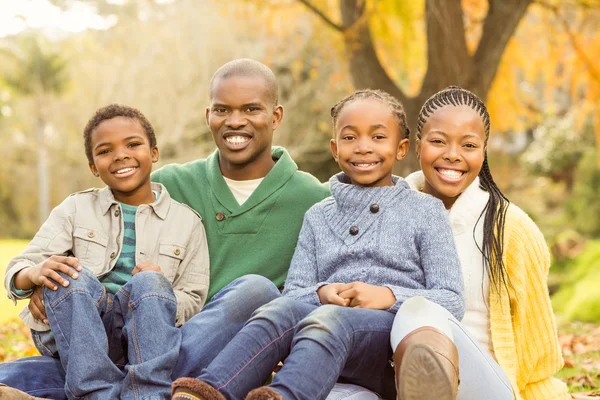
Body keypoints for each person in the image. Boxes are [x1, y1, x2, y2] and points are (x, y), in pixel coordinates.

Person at [0, 59, 330, 399]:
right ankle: (141, 390)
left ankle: (133, 387)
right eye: (222, 110)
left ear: (275, 117)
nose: (235, 121)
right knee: (106, 344)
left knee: (256, 292)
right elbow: (90, 230)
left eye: (251, 109)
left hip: (203, 339)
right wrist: (42, 280)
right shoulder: (167, 183)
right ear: (208, 116)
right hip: (119, 334)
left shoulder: (315, 199)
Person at [171, 89, 465, 400]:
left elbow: (451, 299)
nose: (363, 148)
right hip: (319, 341)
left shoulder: (425, 211)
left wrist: (387, 296)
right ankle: (209, 392)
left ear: (401, 148)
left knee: (329, 319)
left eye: (378, 138)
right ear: (335, 150)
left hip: (383, 344)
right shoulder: (319, 215)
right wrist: (322, 292)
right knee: (278, 310)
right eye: (350, 138)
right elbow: (296, 289)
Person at [3, 104, 210, 399]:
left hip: (145, 336)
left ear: (154, 153)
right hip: (77, 333)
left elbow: (194, 298)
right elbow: (18, 268)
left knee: (150, 282)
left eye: (133, 144)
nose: (120, 155)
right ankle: (95, 393)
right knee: (69, 274)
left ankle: (147, 394)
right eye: (105, 151)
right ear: (93, 167)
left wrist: (160, 290)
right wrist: (35, 273)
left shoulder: (187, 222)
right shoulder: (76, 208)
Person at [390, 86, 568, 400]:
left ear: (483, 152)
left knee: (418, 309)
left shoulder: (510, 229)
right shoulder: (386, 214)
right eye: (438, 141)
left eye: (468, 145)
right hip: (391, 382)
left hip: (484, 387)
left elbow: (537, 355)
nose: (452, 154)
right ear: (417, 146)